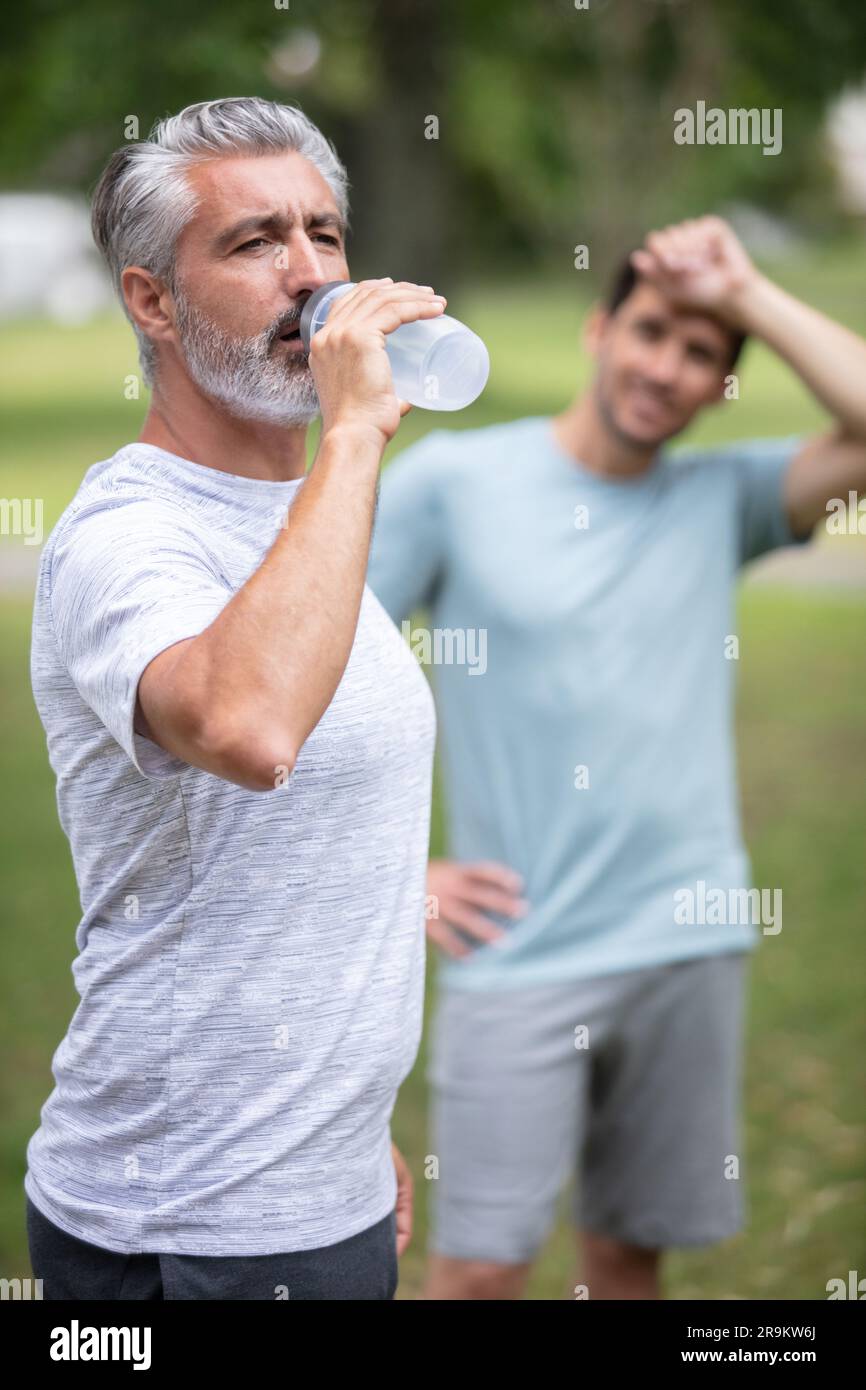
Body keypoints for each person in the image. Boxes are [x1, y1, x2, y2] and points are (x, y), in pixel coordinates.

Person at [367, 215, 866, 1299]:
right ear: (599, 326)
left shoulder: (722, 498)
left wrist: (748, 295)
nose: (667, 369)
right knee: (477, 1273)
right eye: (649, 332)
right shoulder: (455, 482)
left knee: (624, 1262)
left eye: (701, 353)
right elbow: (316, 674)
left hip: (686, 940)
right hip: (520, 949)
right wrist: (394, 877)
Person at [25, 96, 446, 1300]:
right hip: (180, 1227)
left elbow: (310, 853)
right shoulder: (127, 536)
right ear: (151, 299)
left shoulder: (304, 518)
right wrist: (356, 431)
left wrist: (342, 1130)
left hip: (312, 1193)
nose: (308, 274)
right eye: (255, 242)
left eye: (324, 232)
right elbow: (250, 730)